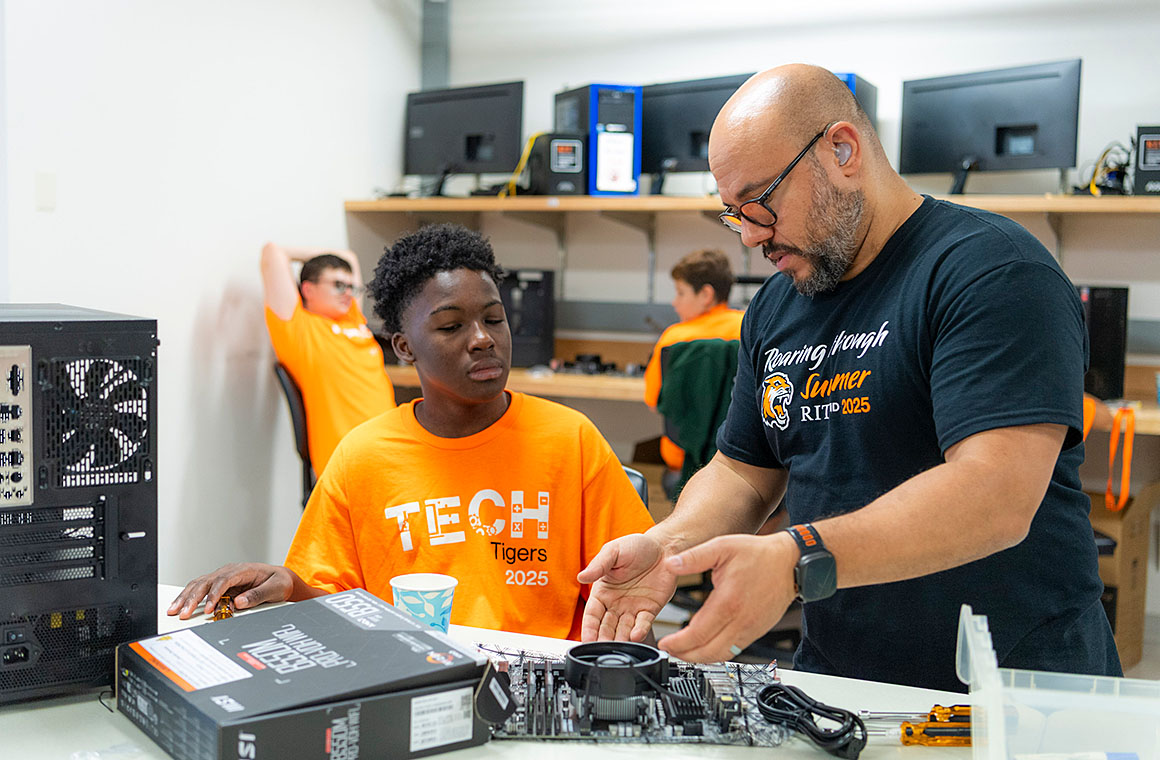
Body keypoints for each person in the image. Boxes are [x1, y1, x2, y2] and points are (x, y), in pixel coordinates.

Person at [578, 64, 1120, 692]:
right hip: (845, 680)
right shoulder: (779, 305)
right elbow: (742, 470)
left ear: (842, 149)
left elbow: (995, 493)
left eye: (760, 202)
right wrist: (670, 546)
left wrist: (794, 557)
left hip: (1016, 687)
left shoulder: (992, 272)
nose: (751, 235)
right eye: (733, 215)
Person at [172, 224, 654, 639]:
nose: (483, 338)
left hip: (543, 684)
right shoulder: (362, 456)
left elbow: (632, 590)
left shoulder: (570, 438)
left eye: (493, 319)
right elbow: (330, 600)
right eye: (450, 326)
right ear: (405, 346)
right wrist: (287, 584)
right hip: (409, 674)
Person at [262, 242, 396, 475]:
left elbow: (348, 256)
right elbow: (272, 253)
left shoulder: (353, 318)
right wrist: (318, 263)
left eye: (351, 287)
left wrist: (327, 267)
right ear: (307, 290)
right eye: (337, 285)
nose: (347, 293)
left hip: (390, 446)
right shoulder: (299, 329)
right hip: (352, 460)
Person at [643, 249, 744, 491]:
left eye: (680, 293)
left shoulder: (674, 338)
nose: (674, 302)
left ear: (706, 294)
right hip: (741, 463)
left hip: (686, 470)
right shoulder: (750, 326)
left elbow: (654, 401)